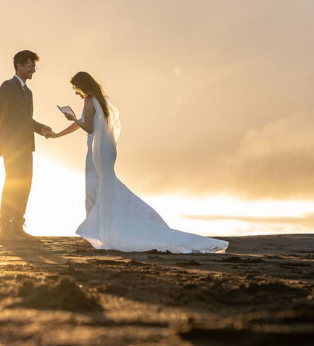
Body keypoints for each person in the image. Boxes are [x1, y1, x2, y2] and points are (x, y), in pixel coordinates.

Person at [52, 71, 228, 253]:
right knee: (103, 187)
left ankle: (93, 233)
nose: (75, 92)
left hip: (96, 151)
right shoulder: (101, 100)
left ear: (82, 85)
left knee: (93, 188)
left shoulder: (89, 100)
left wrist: (72, 118)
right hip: (105, 151)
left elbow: (87, 127)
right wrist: (60, 133)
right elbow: (87, 123)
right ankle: (96, 230)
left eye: (75, 87)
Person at [0, 50, 54, 240]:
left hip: (27, 146)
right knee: (12, 185)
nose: (33, 70)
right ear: (19, 66)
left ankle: (18, 227)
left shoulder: (28, 92)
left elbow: (26, 120)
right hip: (11, 145)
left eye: (34, 66)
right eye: (30, 66)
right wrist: (0, 141)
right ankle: (5, 229)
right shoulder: (8, 86)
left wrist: (42, 128)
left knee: (25, 185)